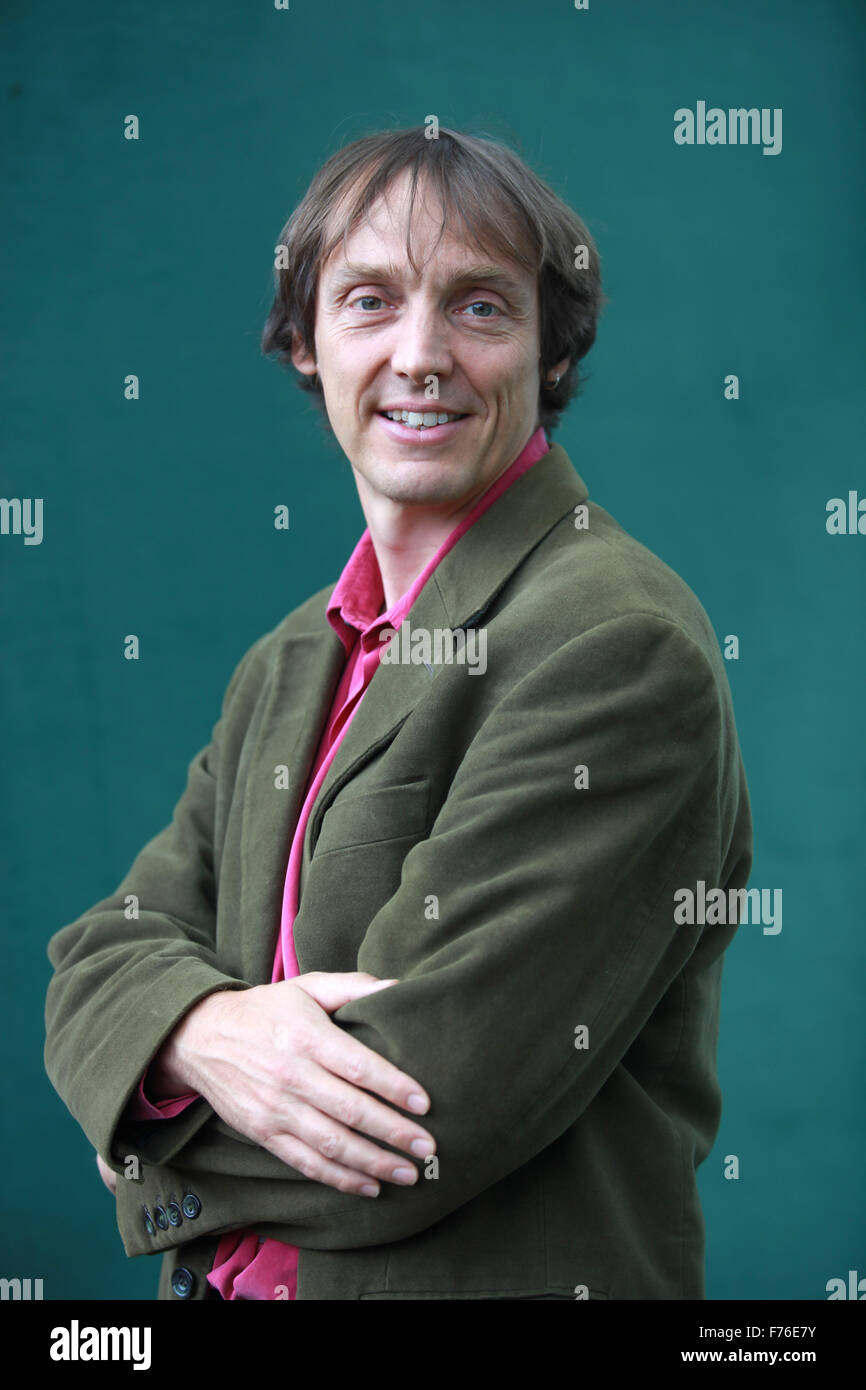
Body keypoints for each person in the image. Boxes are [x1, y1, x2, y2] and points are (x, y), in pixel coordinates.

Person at [44, 126, 753, 1301]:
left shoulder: (613, 645)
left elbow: (420, 1110)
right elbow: (96, 957)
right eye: (368, 300)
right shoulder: (287, 659)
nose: (420, 355)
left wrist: (140, 1102)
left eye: (479, 306)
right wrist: (196, 1038)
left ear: (549, 352)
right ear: (305, 345)